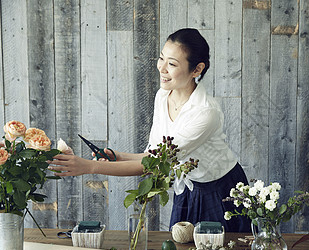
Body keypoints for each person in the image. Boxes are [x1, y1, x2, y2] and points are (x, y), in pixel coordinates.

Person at [51, 28, 251, 232]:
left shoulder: (205, 113)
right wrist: (119, 156)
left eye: (172, 64)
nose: (162, 68)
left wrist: (88, 167)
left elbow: (154, 165)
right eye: (161, 58)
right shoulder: (163, 96)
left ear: (197, 69)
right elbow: (153, 155)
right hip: (188, 187)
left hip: (221, 192)